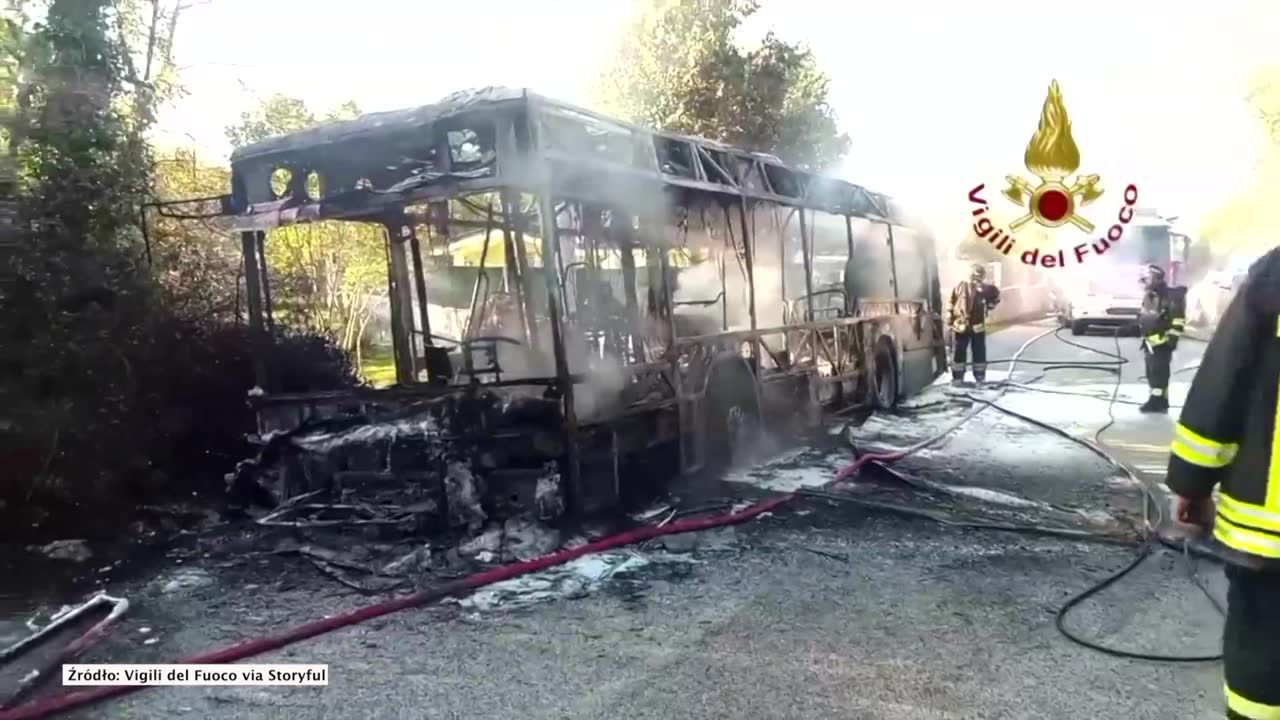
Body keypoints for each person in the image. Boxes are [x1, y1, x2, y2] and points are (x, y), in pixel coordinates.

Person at [1165, 248, 1280, 719]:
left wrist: (1191, 486)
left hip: (1269, 536)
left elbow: (1222, 387)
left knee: (1263, 649)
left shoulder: (1274, 275)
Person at [1137, 264, 1186, 413]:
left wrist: (1171, 341)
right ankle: (1161, 400)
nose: (1144, 280)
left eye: (1148, 277)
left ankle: (1156, 401)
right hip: (1149, 341)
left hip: (1162, 342)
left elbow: (1178, 320)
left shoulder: (1172, 297)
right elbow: (1146, 315)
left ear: (1157, 278)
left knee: (1159, 373)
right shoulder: (1149, 295)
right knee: (1151, 372)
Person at [947, 263, 1000, 383]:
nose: (976, 280)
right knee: (959, 353)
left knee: (979, 353)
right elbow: (951, 301)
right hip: (960, 326)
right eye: (975, 276)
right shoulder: (960, 286)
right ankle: (958, 377)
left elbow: (993, 300)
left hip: (977, 327)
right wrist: (949, 315)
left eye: (979, 277)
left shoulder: (986, 289)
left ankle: (980, 377)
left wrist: (987, 295)